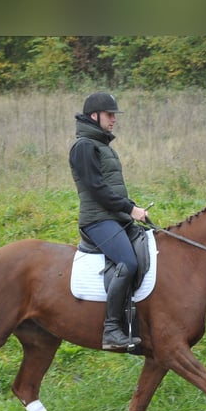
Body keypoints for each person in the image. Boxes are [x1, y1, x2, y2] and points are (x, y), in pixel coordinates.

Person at [69, 92, 149, 350]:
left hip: (114, 218)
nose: (114, 119)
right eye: (109, 114)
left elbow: (112, 188)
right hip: (97, 221)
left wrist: (132, 210)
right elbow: (96, 188)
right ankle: (112, 329)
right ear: (95, 116)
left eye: (114, 115)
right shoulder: (84, 147)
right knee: (127, 261)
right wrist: (129, 208)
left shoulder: (102, 146)